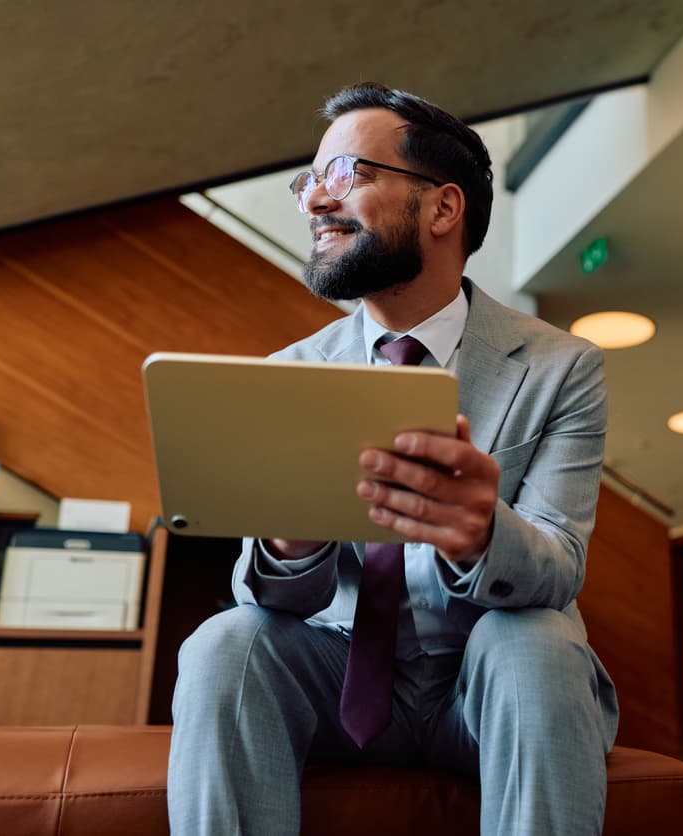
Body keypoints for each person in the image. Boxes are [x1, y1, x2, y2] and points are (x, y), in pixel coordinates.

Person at [167, 82, 618, 836]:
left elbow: (559, 566)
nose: (314, 201)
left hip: (484, 689)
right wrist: (287, 541)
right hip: (333, 681)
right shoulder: (289, 370)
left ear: (442, 208)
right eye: (309, 181)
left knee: (535, 639)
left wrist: (481, 532)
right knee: (225, 639)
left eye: (346, 174)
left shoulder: (560, 366)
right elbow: (265, 593)